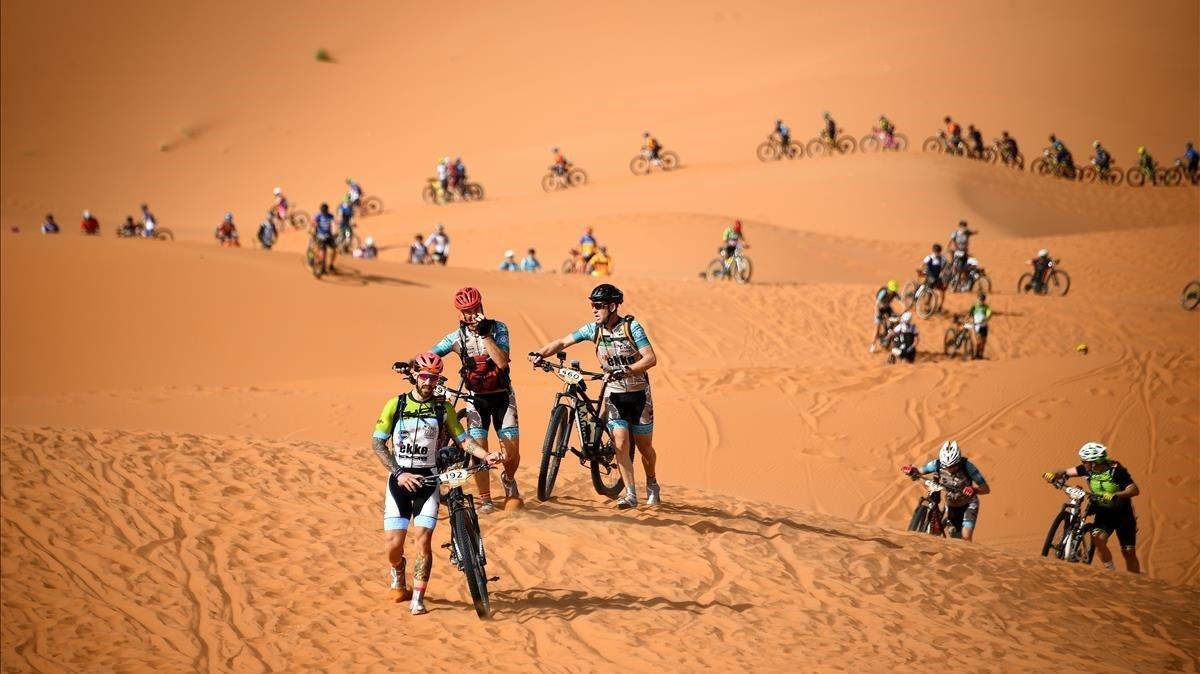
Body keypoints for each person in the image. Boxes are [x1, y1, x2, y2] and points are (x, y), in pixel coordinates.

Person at [372, 351, 502, 614]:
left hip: (428, 480)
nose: (429, 382)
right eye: (424, 376)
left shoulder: (444, 409)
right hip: (399, 480)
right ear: (414, 376)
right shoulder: (395, 405)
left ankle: (419, 598)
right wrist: (399, 473)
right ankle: (398, 571)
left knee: (423, 539)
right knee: (393, 546)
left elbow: (463, 440)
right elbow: (377, 444)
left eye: (433, 377)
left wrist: (485, 454)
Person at [528, 284, 661, 509]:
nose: (594, 310)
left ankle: (652, 483)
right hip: (614, 395)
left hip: (639, 395)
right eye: (592, 305)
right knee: (619, 441)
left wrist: (627, 370)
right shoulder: (593, 329)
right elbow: (563, 342)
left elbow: (650, 358)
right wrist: (540, 353)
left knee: (645, 448)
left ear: (612, 306)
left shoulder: (632, 328)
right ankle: (630, 494)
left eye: (598, 306)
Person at [432, 287, 521, 514]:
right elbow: (431, 355)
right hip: (475, 400)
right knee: (479, 450)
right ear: (459, 313)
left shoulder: (499, 328)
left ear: (482, 307)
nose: (471, 315)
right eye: (466, 311)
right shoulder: (456, 337)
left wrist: (485, 335)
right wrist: (410, 363)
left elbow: (502, 362)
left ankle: (509, 479)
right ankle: (486, 499)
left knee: (510, 453)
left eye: (475, 309)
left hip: (502, 397)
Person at [1045, 443, 1141, 572]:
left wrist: (1115, 495)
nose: (1084, 464)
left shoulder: (1117, 471)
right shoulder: (1086, 469)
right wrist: (1053, 474)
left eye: (1086, 461)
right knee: (1098, 541)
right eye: (1083, 461)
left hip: (1123, 514)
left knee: (1128, 552)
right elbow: (1066, 472)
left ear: (1096, 462)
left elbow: (1134, 490)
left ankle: (1134, 582)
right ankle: (1111, 572)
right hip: (1103, 512)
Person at [901, 440, 991, 541]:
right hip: (951, 504)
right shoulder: (937, 464)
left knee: (965, 538)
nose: (949, 469)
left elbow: (986, 488)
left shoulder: (968, 466)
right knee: (952, 535)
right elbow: (920, 471)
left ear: (958, 462)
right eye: (946, 466)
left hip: (969, 505)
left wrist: (974, 489)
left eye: (952, 466)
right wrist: (911, 470)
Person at [871, 280, 901, 353]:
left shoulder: (894, 293)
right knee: (877, 327)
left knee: (897, 320)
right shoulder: (883, 293)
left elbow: (901, 301)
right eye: (892, 290)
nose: (893, 292)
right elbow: (877, 304)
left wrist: (905, 309)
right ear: (889, 289)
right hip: (880, 309)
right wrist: (877, 314)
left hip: (887, 308)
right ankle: (873, 345)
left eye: (894, 290)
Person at [947, 220, 977, 288]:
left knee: (964, 268)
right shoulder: (955, 233)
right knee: (955, 266)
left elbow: (975, 232)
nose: (964, 227)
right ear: (960, 226)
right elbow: (950, 242)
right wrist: (948, 248)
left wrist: (970, 231)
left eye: (965, 226)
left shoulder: (967, 233)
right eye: (963, 226)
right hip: (957, 252)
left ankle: (963, 283)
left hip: (964, 253)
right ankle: (953, 279)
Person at [310, 203, 337, 271]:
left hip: (329, 236)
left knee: (334, 250)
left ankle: (331, 265)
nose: (324, 212)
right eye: (323, 211)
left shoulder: (330, 216)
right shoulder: (318, 215)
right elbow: (313, 222)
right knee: (315, 248)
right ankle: (314, 259)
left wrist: (334, 232)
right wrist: (313, 226)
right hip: (320, 236)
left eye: (325, 211)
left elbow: (333, 224)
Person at [967, 292, 992, 359]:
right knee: (978, 341)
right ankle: (976, 354)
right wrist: (971, 320)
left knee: (983, 342)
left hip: (983, 327)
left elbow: (989, 314)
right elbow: (970, 314)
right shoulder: (974, 306)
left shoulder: (986, 307)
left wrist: (986, 318)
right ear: (977, 299)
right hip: (976, 326)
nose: (980, 301)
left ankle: (980, 355)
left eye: (982, 300)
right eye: (979, 299)